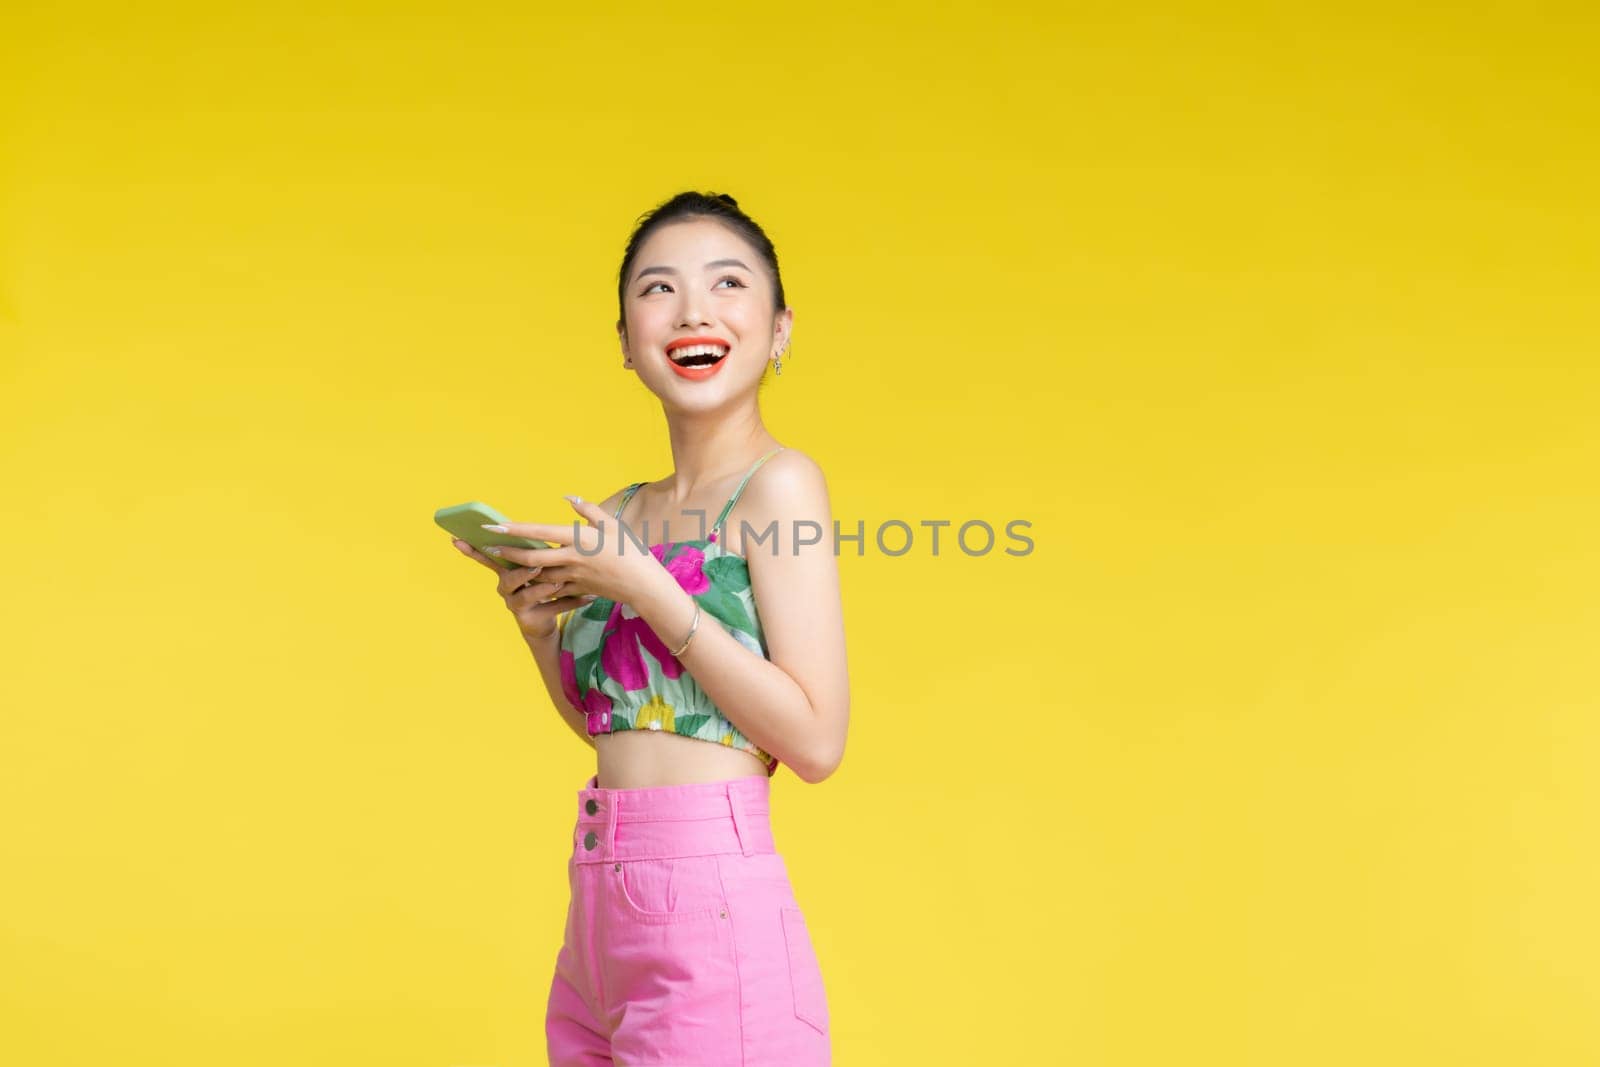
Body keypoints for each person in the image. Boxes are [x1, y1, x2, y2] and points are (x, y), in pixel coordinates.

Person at [448, 190, 848, 1065]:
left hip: (709, 905)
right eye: (658, 289)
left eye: (728, 283)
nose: (693, 310)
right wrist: (540, 632)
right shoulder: (623, 511)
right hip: (597, 910)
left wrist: (651, 590)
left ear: (779, 328)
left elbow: (817, 741)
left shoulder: (780, 487)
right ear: (627, 343)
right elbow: (618, 725)